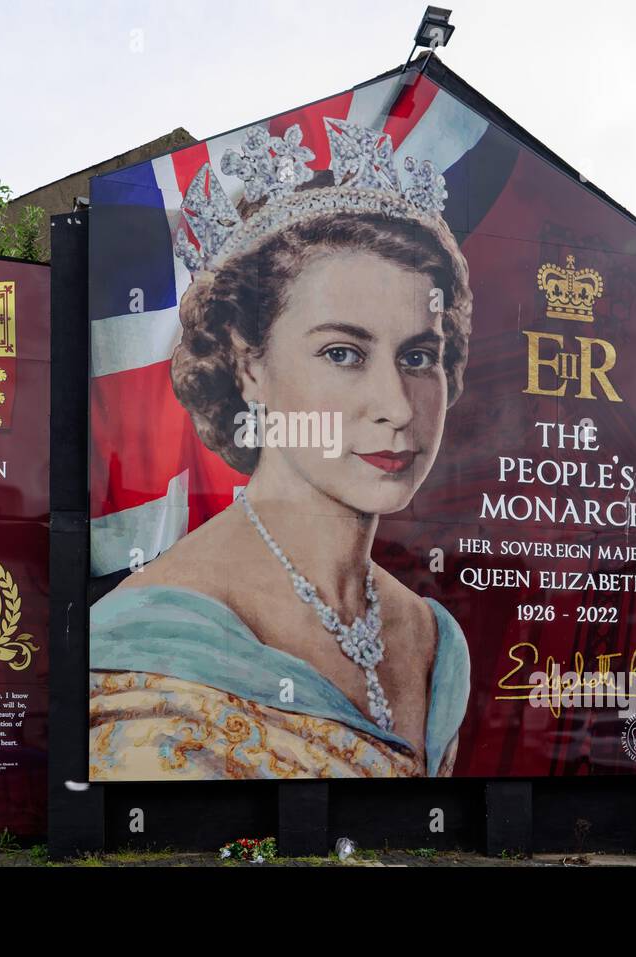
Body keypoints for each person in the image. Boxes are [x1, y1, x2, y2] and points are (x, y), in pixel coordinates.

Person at [90, 118, 472, 780]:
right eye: (342, 353)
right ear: (248, 367)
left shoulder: (432, 637)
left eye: (419, 355)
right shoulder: (145, 642)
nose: (398, 406)